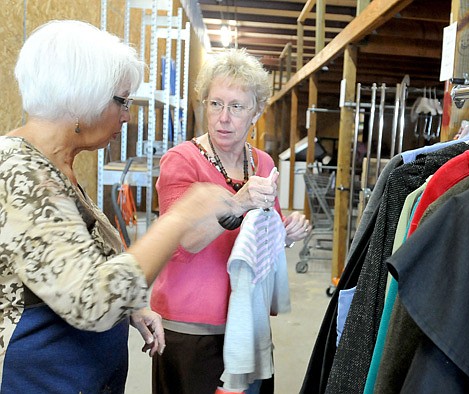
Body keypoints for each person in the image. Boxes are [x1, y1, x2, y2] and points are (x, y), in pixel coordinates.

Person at [0, 20, 273, 393]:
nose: (126, 115)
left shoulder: (54, 168)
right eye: (121, 101)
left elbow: (75, 266)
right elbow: (91, 300)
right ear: (82, 96)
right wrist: (183, 216)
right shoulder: (21, 173)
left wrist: (132, 306)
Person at [151, 48, 311, 394]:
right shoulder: (181, 161)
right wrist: (237, 203)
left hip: (248, 324)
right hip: (192, 328)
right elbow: (181, 243)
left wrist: (287, 233)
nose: (224, 118)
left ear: (256, 112)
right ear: (203, 105)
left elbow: (265, 236)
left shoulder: (264, 163)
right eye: (215, 104)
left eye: (236, 107)